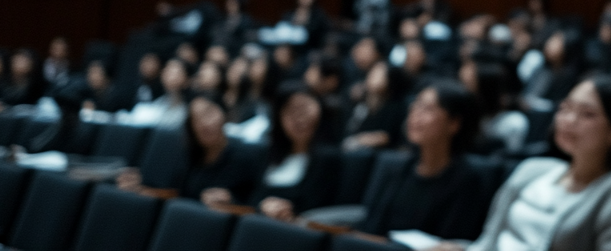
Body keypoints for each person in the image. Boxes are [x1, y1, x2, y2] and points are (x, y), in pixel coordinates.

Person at [431, 75, 611, 251]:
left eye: (587, 114)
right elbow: (488, 242)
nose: (569, 120)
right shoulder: (533, 170)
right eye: (565, 109)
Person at [356, 81, 491, 241]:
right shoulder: (395, 169)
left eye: (427, 109)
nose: (415, 115)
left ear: (454, 123)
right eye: (415, 106)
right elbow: (371, 229)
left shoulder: (468, 181)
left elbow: (452, 243)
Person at [119, 96, 262, 203]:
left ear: (224, 114)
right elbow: (175, 195)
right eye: (196, 119)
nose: (204, 124)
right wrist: (140, 188)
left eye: (208, 113)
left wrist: (231, 201)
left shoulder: (245, 158)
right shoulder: (189, 155)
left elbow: (254, 204)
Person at [239, 86, 342, 221]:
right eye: (291, 110)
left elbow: (318, 207)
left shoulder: (329, 158)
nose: (300, 117)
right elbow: (250, 196)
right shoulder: (266, 153)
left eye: (305, 108)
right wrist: (262, 206)